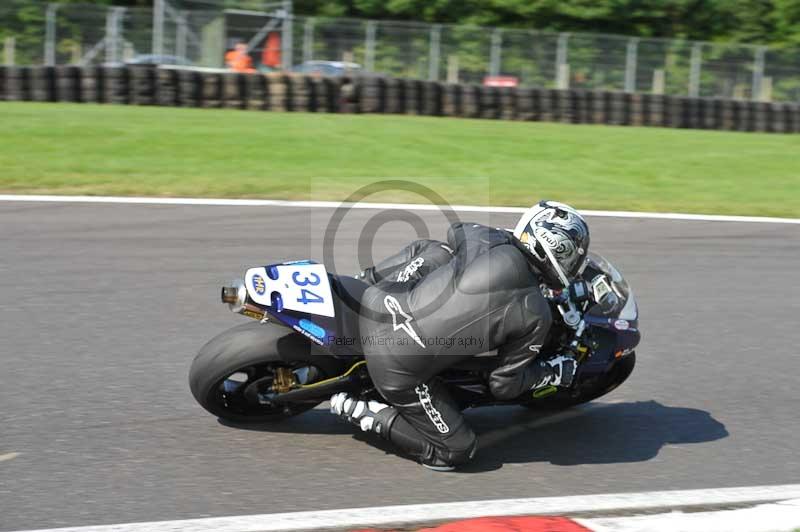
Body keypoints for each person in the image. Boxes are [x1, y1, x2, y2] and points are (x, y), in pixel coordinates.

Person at [330, 200, 591, 470]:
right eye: (572, 257)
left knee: (435, 250)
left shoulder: (485, 238)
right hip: (395, 368)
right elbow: (504, 385)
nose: (574, 264)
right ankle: (367, 412)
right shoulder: (537, 315)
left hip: (378, 299)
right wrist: (552, 373)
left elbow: (457, 230)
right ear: (556, 251)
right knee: (457, 451)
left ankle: (363, 280)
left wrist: (502, 237)